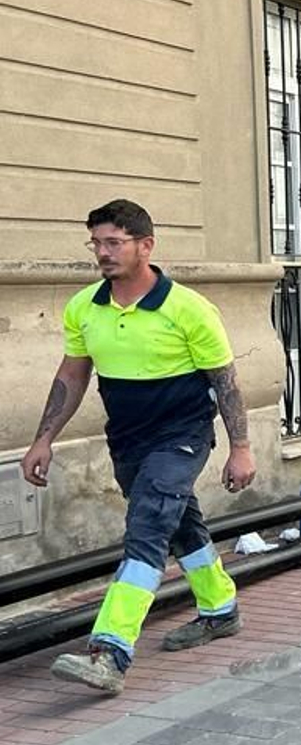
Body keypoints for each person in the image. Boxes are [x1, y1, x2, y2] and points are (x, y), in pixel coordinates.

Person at [22, 200, 256, 696]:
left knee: (148, 523)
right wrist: (44, 438)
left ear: (145, 246)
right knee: (179, 521)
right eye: (96, 243)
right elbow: (72, 375)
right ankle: (220, 610)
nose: (103, 253)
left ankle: (110, 650)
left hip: (182, 434)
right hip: (128, 436)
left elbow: (226, 381)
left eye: (114, 243)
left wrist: (241, 447)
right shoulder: (85, 307)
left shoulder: (189, 308)